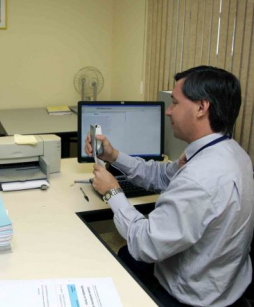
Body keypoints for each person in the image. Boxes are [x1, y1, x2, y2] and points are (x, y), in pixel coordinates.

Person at [86, 66, 254, 307]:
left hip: (190, 296)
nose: (168, 111)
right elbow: (162, 176)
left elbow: (144, 244)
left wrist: (113, 192)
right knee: (123, 255)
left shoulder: (201, 177)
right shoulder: (231, 153)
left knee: (119, 258)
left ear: (201, 108)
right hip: (225, 281)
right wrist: (113, 155)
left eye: (174, 102)